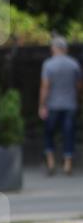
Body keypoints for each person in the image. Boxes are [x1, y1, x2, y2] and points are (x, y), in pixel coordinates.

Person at [38, 36, 82, 175]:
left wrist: (41, 104)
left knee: (49, 133)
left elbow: (45, 86)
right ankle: (67, 164)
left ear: (54, 48)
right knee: (69, 133)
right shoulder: (74, 64)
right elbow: (79, 85)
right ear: (65, 48)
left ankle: (51, 162)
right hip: (70, 104)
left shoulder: (48, 64)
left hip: (52, 105)